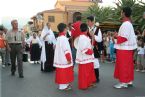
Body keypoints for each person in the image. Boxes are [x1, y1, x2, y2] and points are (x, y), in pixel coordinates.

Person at [114, 7, 137, 88]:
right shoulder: (128, 23)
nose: (121, 13)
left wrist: (116, 37)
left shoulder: (126, 24)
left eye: (121, 12)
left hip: (124, 49)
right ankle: (129, 81)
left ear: (124, 13)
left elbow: (124, 38)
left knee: (123, 65)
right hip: (127, 49)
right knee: (128, 65)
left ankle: (123, 82)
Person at [53, 23, 74, 90]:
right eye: (66, 28)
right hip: (64, 59)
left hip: (60, 58)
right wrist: (69, 58)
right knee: (64, 72)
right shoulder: (63, 39)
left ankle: (64, 84)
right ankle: (63, 86)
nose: (67, 29)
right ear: (64, 29)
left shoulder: (59, 38)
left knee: (61, 72)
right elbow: (66, 50)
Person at [76, 23, 96, 90]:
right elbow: (83, 49)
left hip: (87, 58)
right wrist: (91, 52)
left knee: (89, 71)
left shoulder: (85, 37)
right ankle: (83, 85)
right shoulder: (82, 38)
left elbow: (89, 46)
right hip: (84, 57)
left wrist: (92, 36)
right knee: (84, 73)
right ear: (87, 29)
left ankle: (89, 83)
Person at [87, 16, 103, 83]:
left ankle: (96, 77)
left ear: (92, 22)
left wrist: (94, 35)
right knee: (88, 62)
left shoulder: (97, 29)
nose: (87, 23)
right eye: (87, 21)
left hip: (94, 48)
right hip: (87, 48)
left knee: (95, 63)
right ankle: (89, 76)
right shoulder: (87, 29)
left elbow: (100, 39)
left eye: (88, 21)